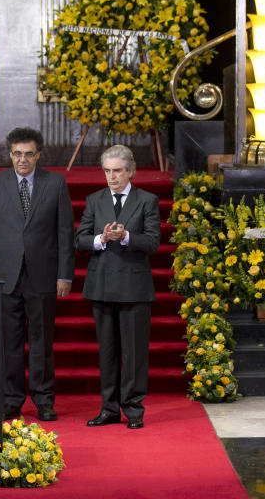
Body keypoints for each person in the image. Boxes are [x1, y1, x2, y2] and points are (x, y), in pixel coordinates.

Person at [0, 127, 75, 422]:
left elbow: (65, 232)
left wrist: (65, 274)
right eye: (17, 154)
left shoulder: (55, 183)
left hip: (43, 275)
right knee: (10, 344)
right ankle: (13, 401)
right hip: (5, 276)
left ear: (38, 155)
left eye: (29, 154)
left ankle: (44, 400)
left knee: (42, 341)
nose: (22, 159)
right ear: (10, 154)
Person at [74, 145, 160, 430]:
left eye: (117, 171)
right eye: (107, 171)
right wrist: (101, 238)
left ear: (130, 171)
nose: (111, 177)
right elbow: (80, 239)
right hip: (102, 286)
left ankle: (133, 409)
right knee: (107, 352)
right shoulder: (95, 200)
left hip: (134, 287)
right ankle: (109, 408)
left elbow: (152, 242)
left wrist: (125, 237)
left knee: (134, 353)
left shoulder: (147, 200)